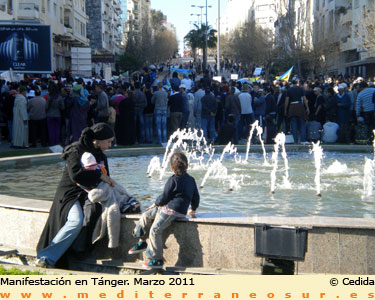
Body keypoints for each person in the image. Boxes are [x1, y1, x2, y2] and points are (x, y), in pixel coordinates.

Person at [36, 123, 115, 268]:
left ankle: (76, 252)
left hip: (89, 196)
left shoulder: (101, 156)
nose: (110, 145)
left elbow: (105, 178)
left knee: (92, 216)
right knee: (76, 221)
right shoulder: (76, 150)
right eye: (108, 141)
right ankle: (46, 258)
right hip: (69, 194)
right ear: (97, 140)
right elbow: (76, 175)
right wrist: (99, 175)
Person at [128, 151, 200, 269]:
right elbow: (196, 196)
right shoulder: (191, 180)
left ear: (171, 167)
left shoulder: (173, 180)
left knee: (155, 230)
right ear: (187, 165)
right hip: (175, 210)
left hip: (170, 211)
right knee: (147, 215)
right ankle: (142, 242)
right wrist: (193, 209)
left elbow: (165, 197)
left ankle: (156, 259)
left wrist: (155, 203)